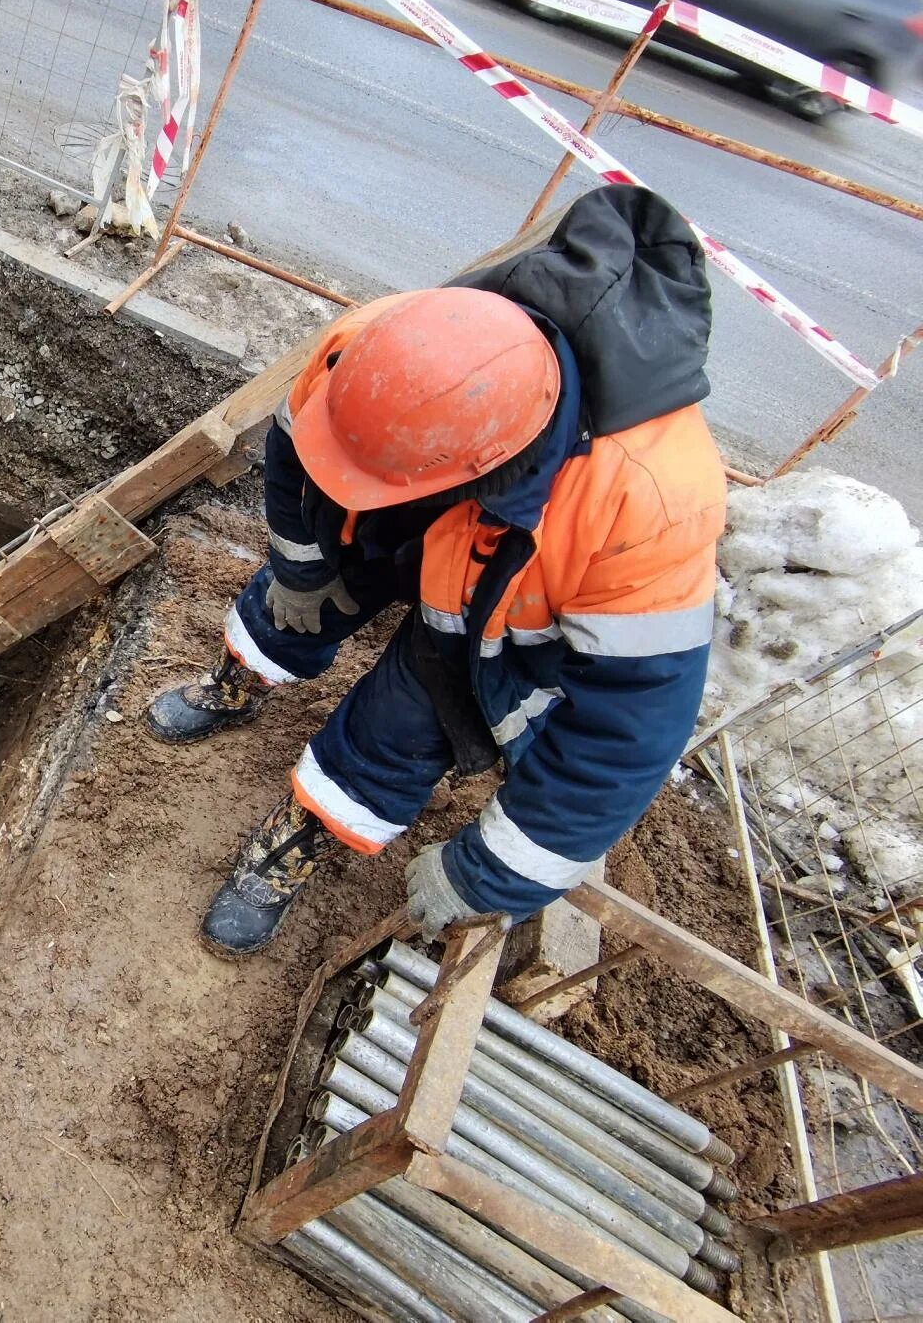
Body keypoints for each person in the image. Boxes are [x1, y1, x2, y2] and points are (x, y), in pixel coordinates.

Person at [145, 187, 726, 957]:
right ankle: (239, 680)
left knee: (403, 723)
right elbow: (296, 452)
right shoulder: (380, 345)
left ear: (485, 466)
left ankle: (300, 841)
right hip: (410, 514)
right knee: (289, 608)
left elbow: (631, 726)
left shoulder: (648, 504)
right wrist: (299, 564)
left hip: (505, 597)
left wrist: (490, 874)